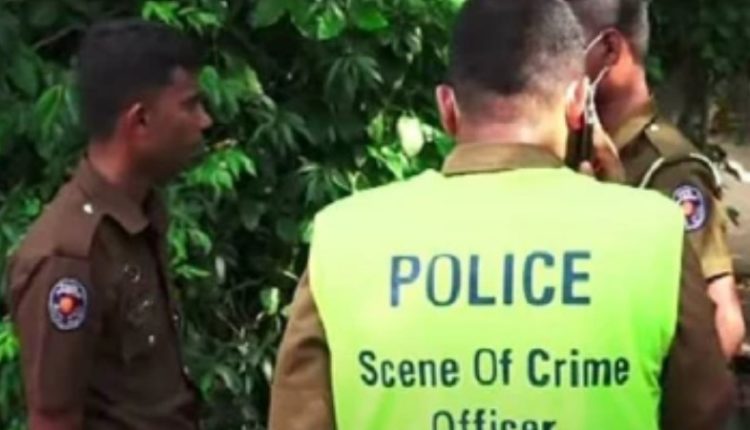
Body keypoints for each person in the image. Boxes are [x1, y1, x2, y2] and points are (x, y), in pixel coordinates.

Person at [268, 0, 735, 429]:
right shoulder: (652, 233)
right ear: (578, 103)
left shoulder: (344, 237)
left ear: (447, 109)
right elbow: (705, 408)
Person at [7, 19, 212, 429]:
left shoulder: (138, 218)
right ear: (141, 121)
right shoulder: (69, 255)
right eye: (190, 105)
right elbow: (53, 419)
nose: (204, 121)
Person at [566, 0, 747, 359]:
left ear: (609, 50)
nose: (551, 62)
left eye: (565, 46)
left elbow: (723, 325)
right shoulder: (573, 149)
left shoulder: (670, 169)